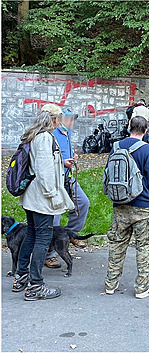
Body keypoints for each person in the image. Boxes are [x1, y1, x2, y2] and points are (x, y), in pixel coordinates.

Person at [12, 103, 75, 300]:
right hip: (42, 198)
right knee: (42, 238)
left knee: (31, 234)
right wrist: (53, 196)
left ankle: (21, 277)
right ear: (54, 120)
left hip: (30, 196)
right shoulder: (46, 138)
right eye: (59, 118)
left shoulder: (33, 135)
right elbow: (45, 172)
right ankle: (35, 286)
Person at [104, 116, 149, 299]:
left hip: (120, 205)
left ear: (129, 127)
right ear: (146, 131)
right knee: (144, 247)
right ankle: (142, 288)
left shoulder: (116, 147)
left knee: (117, 245)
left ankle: (111, 284)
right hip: (143, 207)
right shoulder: (147, 149)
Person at [45, 108, 90, 269]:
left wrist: (73, 157)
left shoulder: (67, 134)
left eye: (73, 119)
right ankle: (49, 254)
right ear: (59, 119)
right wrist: (63, 162)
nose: (71, 122)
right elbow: (47, 157)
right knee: (55, 216)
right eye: (69, 119)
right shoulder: (51, 134)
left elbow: (66, 153)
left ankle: (70, 233)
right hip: (56, 180)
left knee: (83, 203)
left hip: (69, 178)